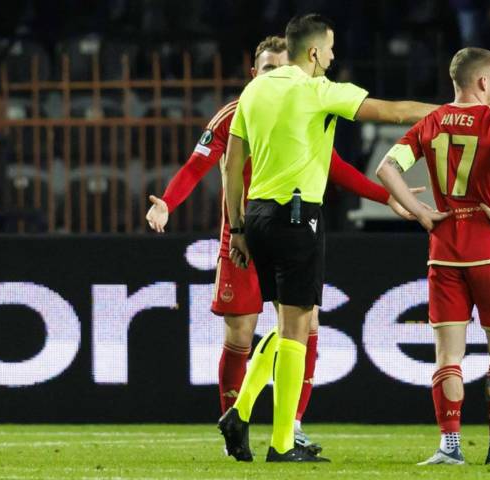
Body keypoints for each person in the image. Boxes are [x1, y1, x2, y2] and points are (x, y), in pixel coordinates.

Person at [145, 35, 422, 458]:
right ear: (254, 74)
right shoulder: (235, 114)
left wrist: (389, 198)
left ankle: (289, 426)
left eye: (282, 67)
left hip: (267, 226)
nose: (277, 75)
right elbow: (197, 165)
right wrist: (167, 201)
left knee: (303, 328)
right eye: (268, 69)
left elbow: (336, 168)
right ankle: (235, 426)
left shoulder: (303, 106)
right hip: (244, 236)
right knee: (242, 334)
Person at [220, 13, 443, 462]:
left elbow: (230, 165)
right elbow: (395, 111)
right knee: (299, 328)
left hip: (257, 217)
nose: (335, 56)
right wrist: (455, 113)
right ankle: (281, 443)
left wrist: (238, 228)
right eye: (332, 48)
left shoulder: (254, 89)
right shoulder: (319, 90)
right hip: (298, 216)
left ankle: (240, 412)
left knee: (287, 326)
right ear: (315, 52)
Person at [376, 47, 490, 466]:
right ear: (482, 81)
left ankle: (449, 447)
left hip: (444, 247)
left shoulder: (430, 123)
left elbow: (385, 168)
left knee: (448, 355)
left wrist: (419, 213)